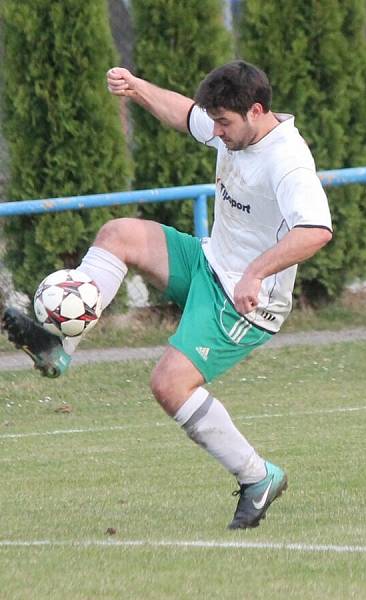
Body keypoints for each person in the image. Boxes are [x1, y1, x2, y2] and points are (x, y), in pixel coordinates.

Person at [1, 60, 333, 529]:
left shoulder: (287, 161)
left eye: (224, 123)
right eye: (214, 121)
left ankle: (258, 477)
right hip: (207, 262)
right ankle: (59, 346)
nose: (216, 132)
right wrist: (136, 88)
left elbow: (316, 230)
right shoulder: (231, 127)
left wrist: (255, 274)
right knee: (118, 234)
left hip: (245, 301)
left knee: (169, 385)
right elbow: (187, 114)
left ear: (257, 111)